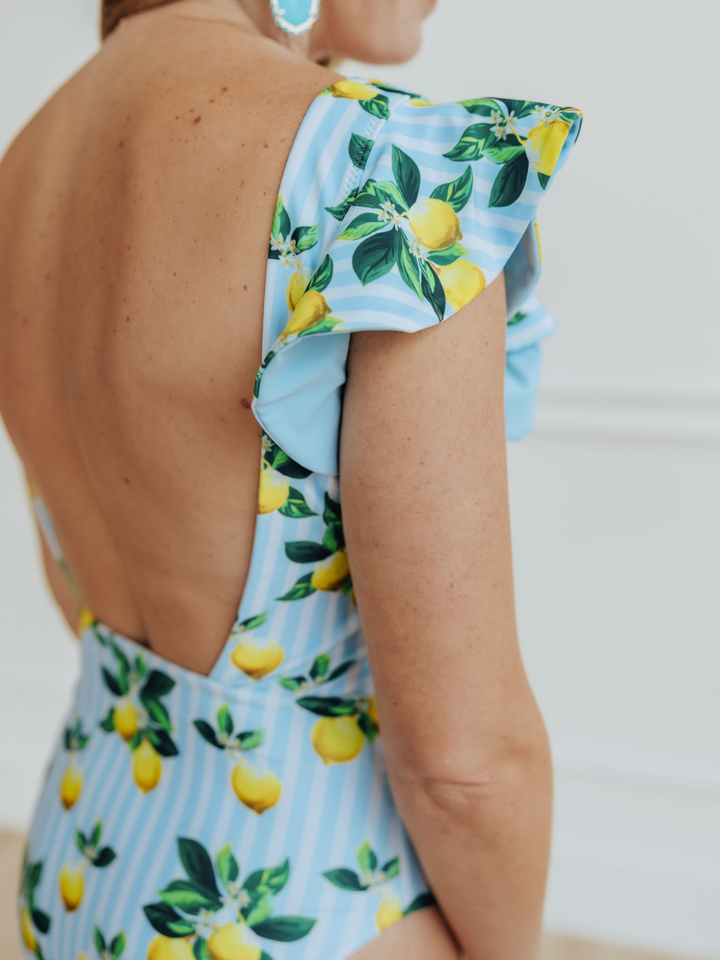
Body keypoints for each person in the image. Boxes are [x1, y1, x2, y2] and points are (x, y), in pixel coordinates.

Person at [0, 1, 581, 957]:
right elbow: (466, 767)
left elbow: (80, 601)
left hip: (85, 865)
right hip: (313, 913)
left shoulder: (28, 166)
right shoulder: (394, 182)